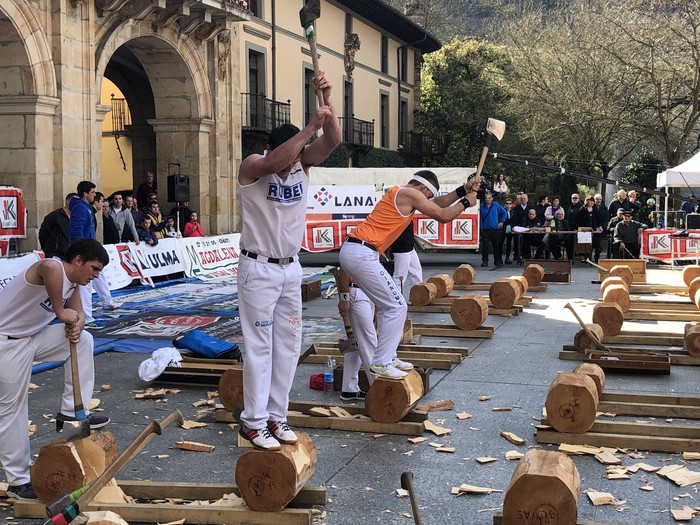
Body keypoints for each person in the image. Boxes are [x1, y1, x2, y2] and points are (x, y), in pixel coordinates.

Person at [236, 70, 341, 450]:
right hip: (258, 268)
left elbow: (333, 140)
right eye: (288, 157)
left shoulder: (301, 163)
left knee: (288, 345)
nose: (289, 166)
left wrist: (328, 101)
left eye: (296, 158)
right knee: (260, 346)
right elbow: (277, 159)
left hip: (289, 267)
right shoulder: (253, 166)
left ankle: (277, 417)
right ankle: (253, 421)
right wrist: (309, 127)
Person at [339, 170, 479, 382]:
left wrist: (462, 191)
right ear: (423, 189)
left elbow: (439, 203)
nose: (429, 201)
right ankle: (382, 362)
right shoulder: (408, 194)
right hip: (362, 253)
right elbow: (443, 215)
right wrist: (466, 203)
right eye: (428, 197)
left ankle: (388, 357)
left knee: (392, 305)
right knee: (396, 306)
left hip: (358, 252)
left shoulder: (403, 194)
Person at [0, 238, 110, 500]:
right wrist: (61, 312)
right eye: (94, 269)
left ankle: (72, 412)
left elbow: (79, 314)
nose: (95, 276)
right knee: (12, 409)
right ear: (78, 260)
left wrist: (78, 323)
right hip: (6, 341)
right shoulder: (54, 267)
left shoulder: (74, 283)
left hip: (32, 337)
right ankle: (17, 481)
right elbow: (48, 267)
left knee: (84, 340)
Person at [336, 267, 375, 401]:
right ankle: (380, 389)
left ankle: (349, 389)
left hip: (369, 291)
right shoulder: (353, 246)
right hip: (357, 292)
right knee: (368, 342)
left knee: (357, 344)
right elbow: (344, 269)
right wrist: (344, 298)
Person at [38, 193, 76, 259]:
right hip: (55, 254)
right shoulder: (55, 216)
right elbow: (43, 233)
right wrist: (48, 249)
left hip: (69, 255)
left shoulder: (76, 218)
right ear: (67, 201)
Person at [390, 222, 422, 292]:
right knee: (400, 276)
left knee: (416, 271)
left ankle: (419, 294)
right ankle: (397, 299)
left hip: (410, 248)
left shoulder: (407, 215)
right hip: (401, 250)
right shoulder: (398, 215)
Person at [479, 191, 507, 267]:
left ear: (492, 198)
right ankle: (485, 261)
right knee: (485, 247)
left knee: (497, 246)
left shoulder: (496, 205)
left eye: (489, 198)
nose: (487, 199)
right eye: (486, 198)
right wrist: (481, 228)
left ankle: (497, 261)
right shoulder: (481, 206)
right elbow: (480, 218)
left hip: (495, 229)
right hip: (486, 230)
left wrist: (501, 221)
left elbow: (504, 212)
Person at [512, 193, 532, 264]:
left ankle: (527, 257)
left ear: (527, 199)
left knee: (527, 242)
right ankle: (518, 256)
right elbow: (514, 219)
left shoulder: (531, 208)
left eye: (524, 199)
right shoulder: (516, 209)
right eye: (522, 199)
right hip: (519, 229)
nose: (523, 200)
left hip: (528, 229)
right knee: (518, 243)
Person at [502, 197, 516, 264]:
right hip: (503, 229)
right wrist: (508, 221)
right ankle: (499, 258)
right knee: (500, 243)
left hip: (510, 229)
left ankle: (507, 258)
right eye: (507, 203)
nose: (508, 205)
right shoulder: (502, 211)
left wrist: (508, 221)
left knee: (509, 244)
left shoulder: (513, 211)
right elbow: (503, 220)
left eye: (509, 204)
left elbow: (514, 220)